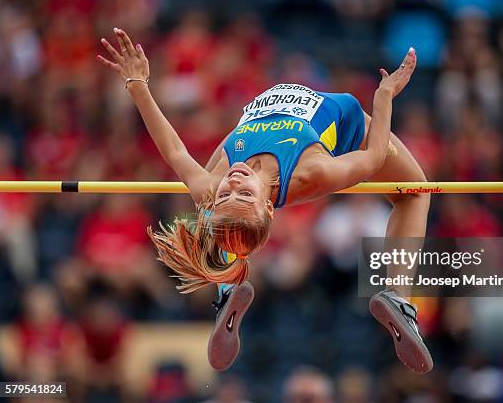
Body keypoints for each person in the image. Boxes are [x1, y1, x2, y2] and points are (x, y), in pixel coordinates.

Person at [97, 28, 432, 374]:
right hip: (347, 123)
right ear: (269, 206)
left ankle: (227, 287)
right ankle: (399, 297)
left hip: (265, 118)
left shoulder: (218, 181)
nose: (235, 182)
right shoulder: (310, 172)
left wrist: (137, 86)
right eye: (244, 194)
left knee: (207, 201)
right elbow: (375, 156)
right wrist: (385, 96)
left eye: (228, 193)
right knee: (416, 192)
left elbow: (173, 151)